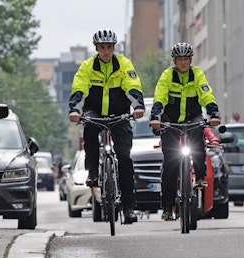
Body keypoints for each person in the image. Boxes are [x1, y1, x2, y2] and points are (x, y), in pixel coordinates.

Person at [68, 29, 145, 224]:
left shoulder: (123, 64)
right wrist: (75, 111)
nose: (106, 51)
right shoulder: (87, 66)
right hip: (95, 111)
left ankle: (129, 209)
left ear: (113, 47)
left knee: (125, 159)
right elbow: (79, 89)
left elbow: (133, 85)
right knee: (90, 128)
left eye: (109, 47)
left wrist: (138, 106)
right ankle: (93, 172)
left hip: (119, 113)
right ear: (96, 48)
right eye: (102, 47)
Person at [149, 42, 221, 221]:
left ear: (190, 61)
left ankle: (200, 177)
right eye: (180, 59)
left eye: (186, 59)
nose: (183, 63)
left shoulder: (196, 74)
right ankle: (167, 207)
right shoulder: (167, 75)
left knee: (198, 136)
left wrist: (213, 112)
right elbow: (160, 96)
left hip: (192, 118)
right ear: (174, 61)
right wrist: (156, 116)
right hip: (171, 122)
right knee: (170, 164)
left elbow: (206, 94)